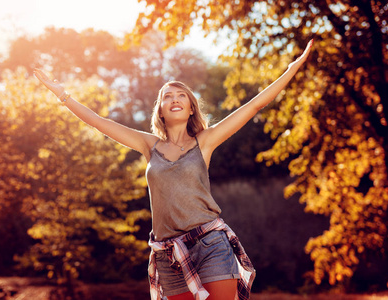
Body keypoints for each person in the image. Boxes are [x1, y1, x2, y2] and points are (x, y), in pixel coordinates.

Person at [34, 39, 313, 300]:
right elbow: (98, 122)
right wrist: (62, 94)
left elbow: (253, 106)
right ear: (161, 110)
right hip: (167, 253)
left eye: (182, 95)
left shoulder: (205, 141)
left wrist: (291, 69)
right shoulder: (148, 145)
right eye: (168, 96)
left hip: (210, 243)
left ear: (191, 108)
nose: (175, 98)